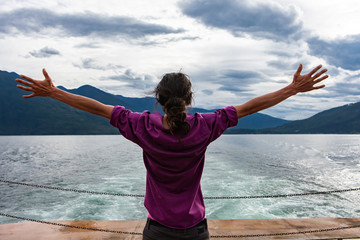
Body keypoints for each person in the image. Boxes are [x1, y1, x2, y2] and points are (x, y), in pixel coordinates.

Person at [16, 64, 328, 240]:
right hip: (195, 232)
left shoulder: (141, 126)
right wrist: (292, 89)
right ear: (190, 98)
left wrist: (53, 92)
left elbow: (97, 109)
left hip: (157, 232)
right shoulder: (206, 126)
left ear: (158, 98)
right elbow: (249, 107)